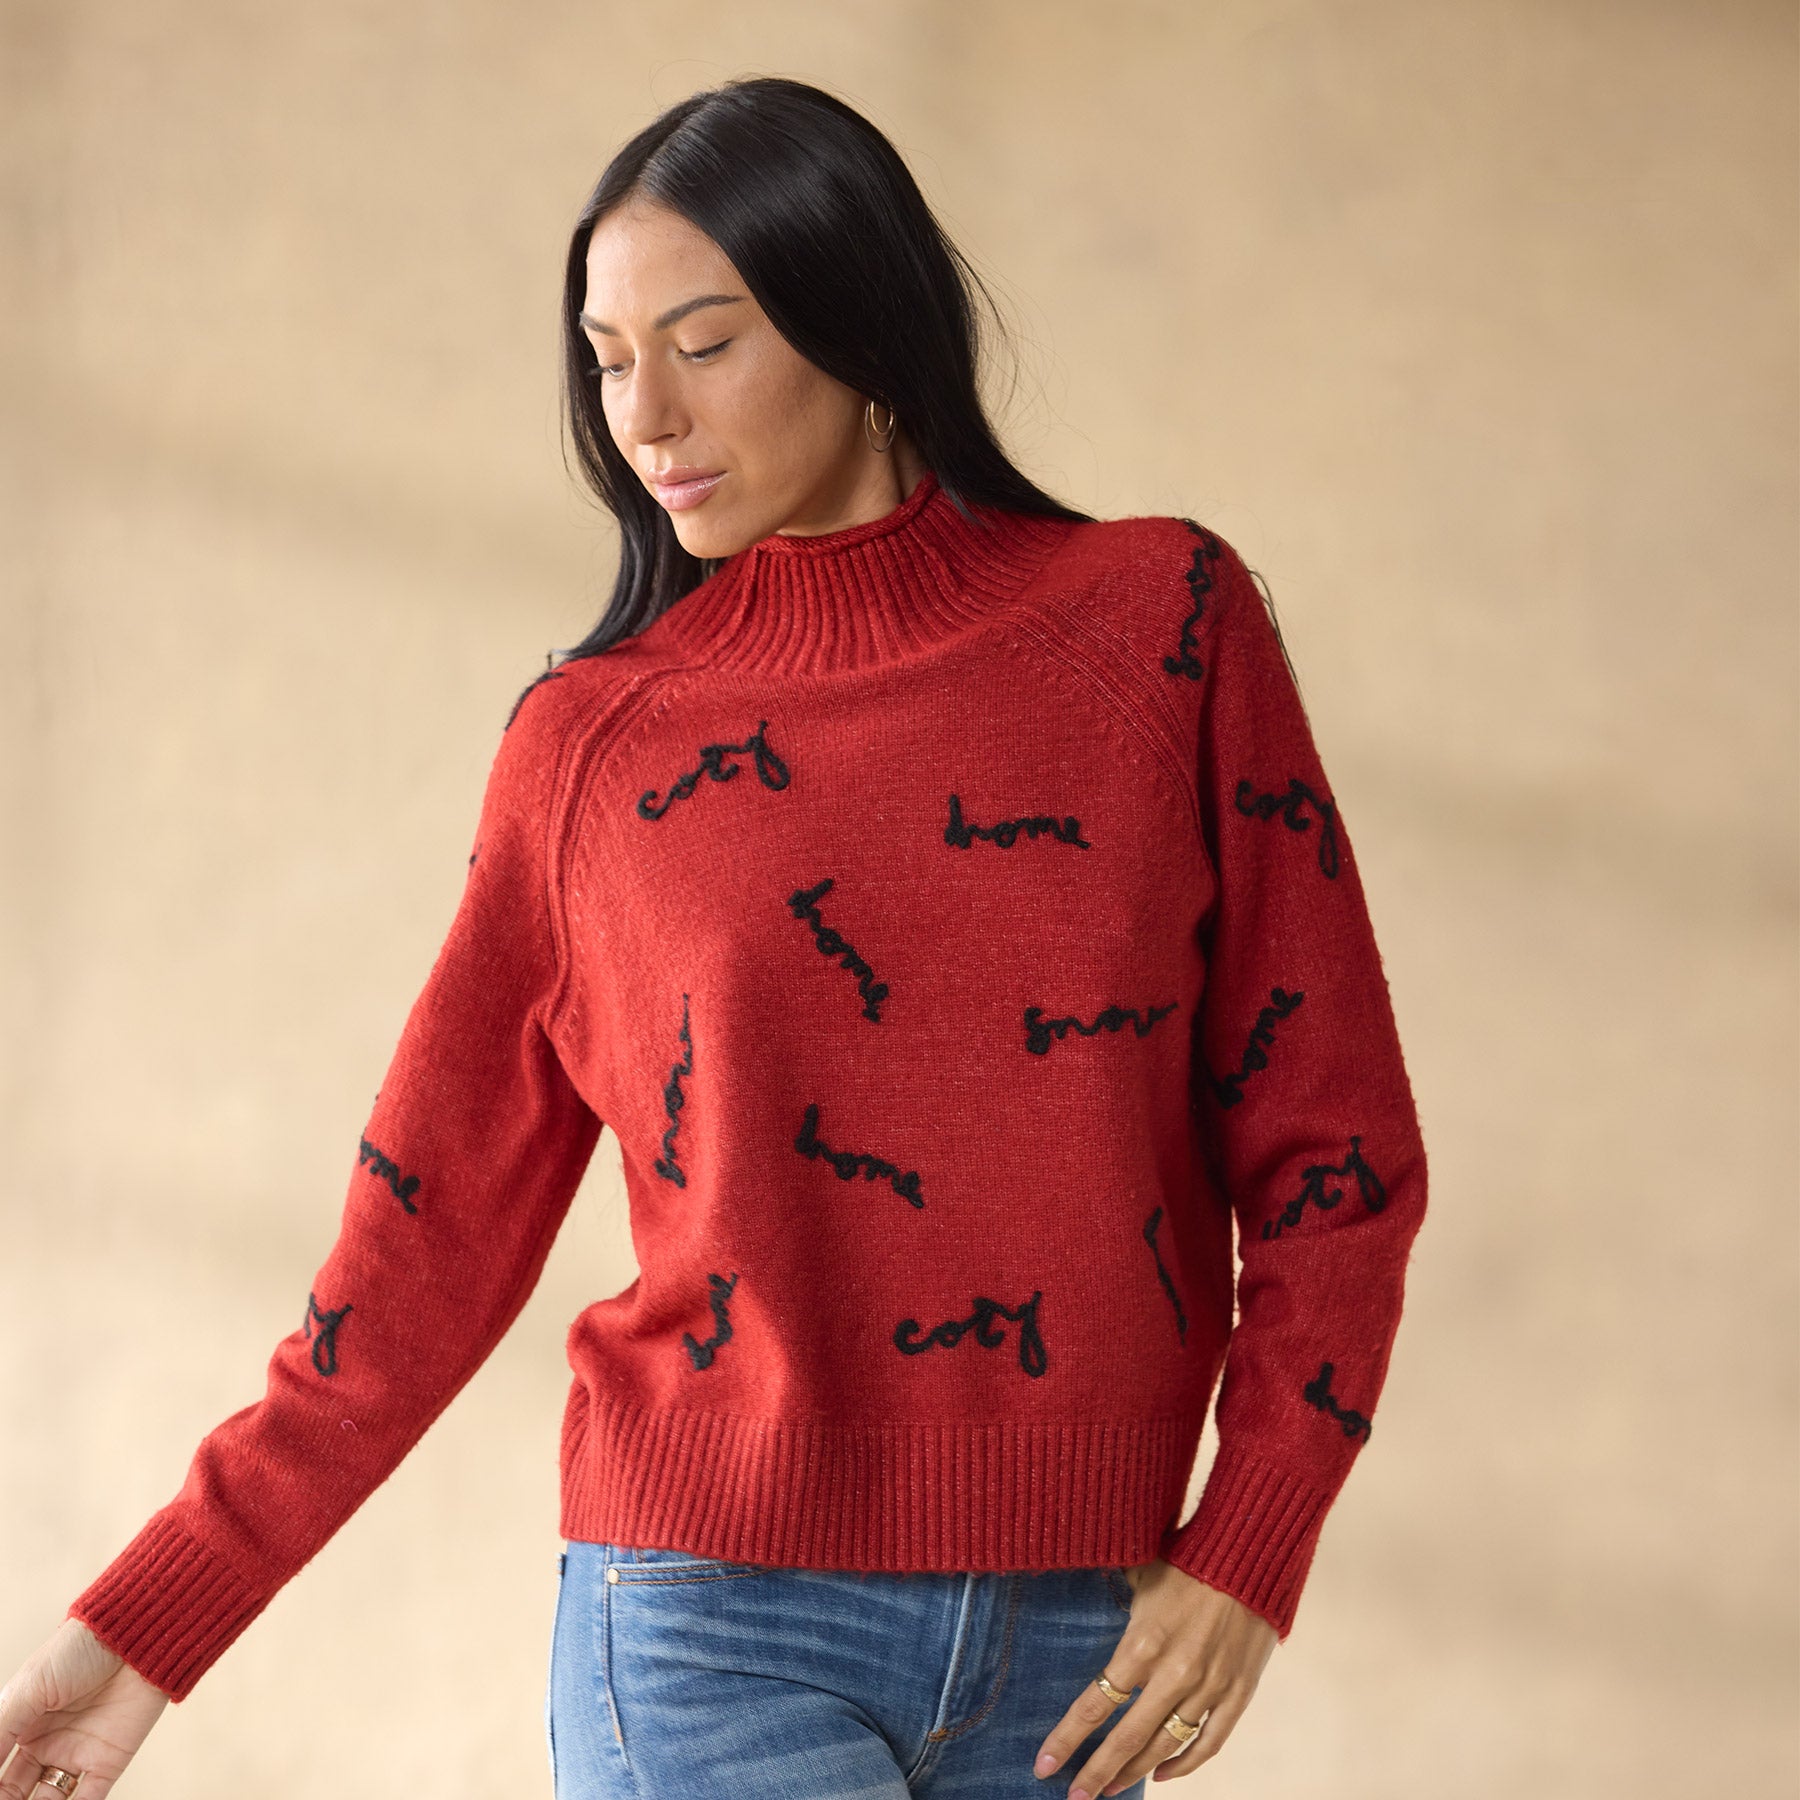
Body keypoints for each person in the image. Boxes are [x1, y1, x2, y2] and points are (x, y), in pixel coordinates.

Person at [0, 75, 1428, 1800]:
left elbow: (1338, 1148)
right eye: (607, 360)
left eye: (703, 343)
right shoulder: (594, 749)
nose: (645, 417)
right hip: (708, 1632)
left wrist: (1251, 1545)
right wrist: (144, 1630)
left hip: (1081, 1649)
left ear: (864, 327)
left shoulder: (1160, 629)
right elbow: (423, 1248)